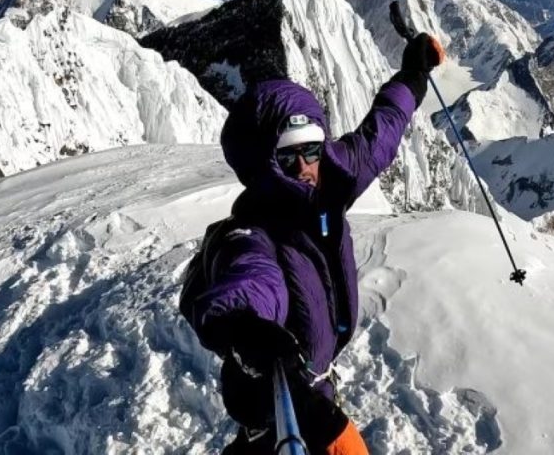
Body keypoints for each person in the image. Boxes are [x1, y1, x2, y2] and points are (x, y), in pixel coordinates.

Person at [179, 33, 444, 454]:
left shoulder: (333, 176)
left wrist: (412, 76)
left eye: (311, 150)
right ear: (263, 162)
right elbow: (249, 275)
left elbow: (382, 132)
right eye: (288, 156)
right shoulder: (254, 231)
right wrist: (246, 326)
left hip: (314, 386)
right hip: (282, 401)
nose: (304, 167)